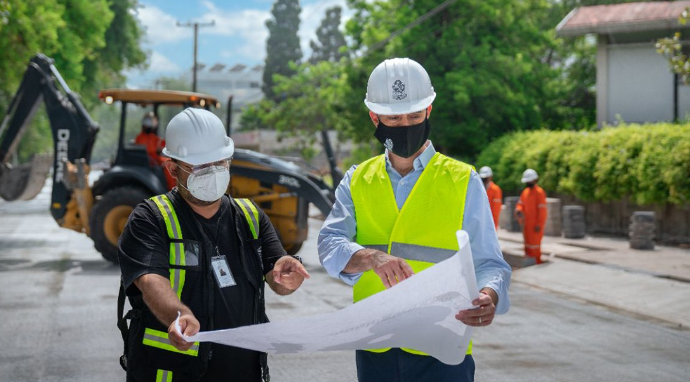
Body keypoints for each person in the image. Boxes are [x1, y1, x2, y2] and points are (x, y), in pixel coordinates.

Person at [317, 58, 511, 382]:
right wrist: (370, 257)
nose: (405, 124)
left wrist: (489, 295)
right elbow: (328, 244)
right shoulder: (357, 180)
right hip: (376, 347)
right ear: (374, 117)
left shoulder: (463, 180)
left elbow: (491, 264)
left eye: (414, 115)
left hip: (443, 347)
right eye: (394, 118)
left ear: (429, 112)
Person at [117, 108, 310, 382]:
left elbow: (276, 275)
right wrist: (179, 314)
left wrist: (285, 276)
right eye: (199, 166)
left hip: (245, 372)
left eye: (219, 162)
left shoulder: (250, 216)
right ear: (173, 168)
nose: (212, 172)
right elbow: (150, 281)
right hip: (173, 373)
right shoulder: (150, 218)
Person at [134, 111, 176, 189]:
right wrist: (158, 149)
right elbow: (151, 150)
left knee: (170, 161)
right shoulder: (140, 138)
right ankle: (172, 189)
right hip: (150, 161)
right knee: (169, 166)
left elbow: (160, 142)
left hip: (154, 159)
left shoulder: (152, 137)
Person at [515, 168, 547, 264]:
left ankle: (537, 261)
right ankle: (529, 261)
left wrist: (539, 224)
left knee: (535, 245)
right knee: (527, 244)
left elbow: (542, 211)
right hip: (526, 224)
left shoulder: (539, 192)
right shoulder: (525, 192)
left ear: (535, 180)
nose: (528, 183)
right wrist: (519, 210)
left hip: (535, 226)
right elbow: (520, 204)